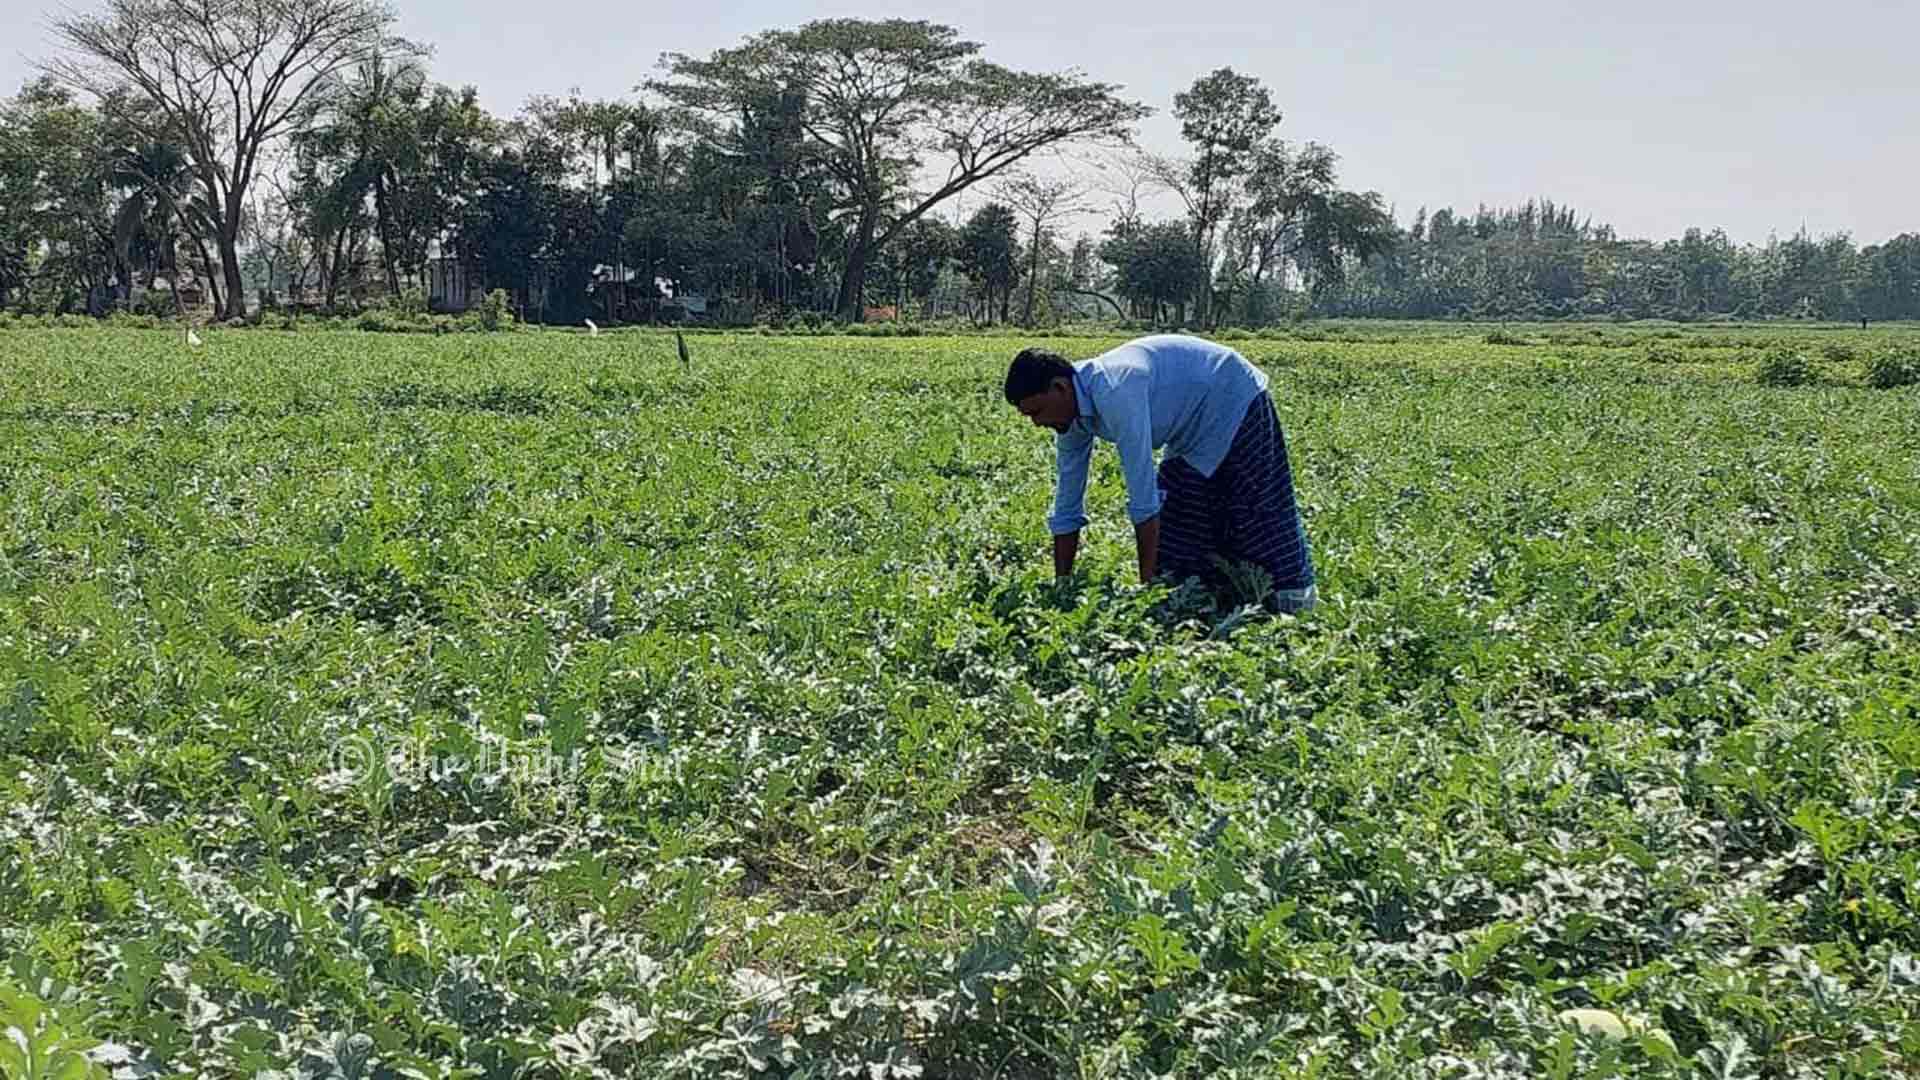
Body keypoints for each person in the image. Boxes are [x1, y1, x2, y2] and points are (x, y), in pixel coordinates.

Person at [1004, 334, 1317, 613]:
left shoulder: (1115, 391)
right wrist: (1063, 586)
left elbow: (1143, 499)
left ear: (1059, 387)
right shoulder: (1069, 417)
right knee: (1182, 516)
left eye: (1037, 412)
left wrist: (1145, 596)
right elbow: (1067, 505)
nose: (1036, 423)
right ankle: (1211, 596)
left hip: (1232, 394)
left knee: (1253, 504)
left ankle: (1292, 600)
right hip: (1190, 428)